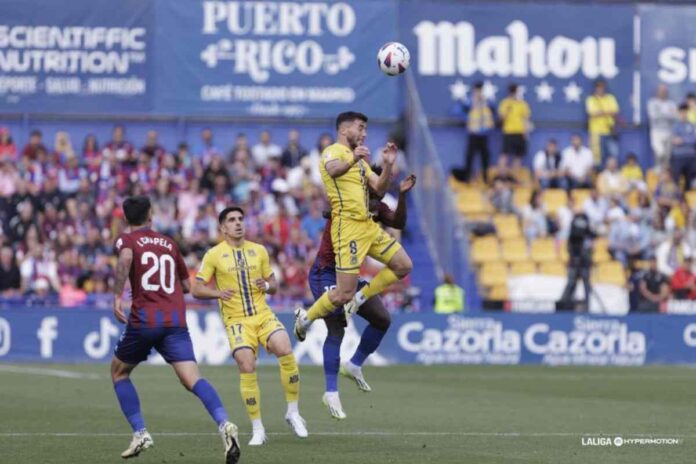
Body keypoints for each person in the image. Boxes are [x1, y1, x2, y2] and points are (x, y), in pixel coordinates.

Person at [111, 196, 240, 463]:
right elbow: (186, 286)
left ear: (126, 219)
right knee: (193, 378)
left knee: (119, 372)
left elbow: (124, 259)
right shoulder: (169, 243)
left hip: (145, 319)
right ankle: (224, 423)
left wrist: (117, 296)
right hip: (175, 321)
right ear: (150, 216)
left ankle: (141, 433)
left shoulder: (127, 240)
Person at [192, 206, 307, 446]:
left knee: (285, 347)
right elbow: (196, 288)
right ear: (223, 228)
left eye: (240, 219)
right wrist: (217, 293)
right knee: (246, 363)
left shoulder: (259, 251)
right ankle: (258, 428)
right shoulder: (214, 254)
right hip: (236, 321)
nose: (238, 223)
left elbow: (274, 284)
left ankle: (293, 412)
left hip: (262, 314)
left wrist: (266, 286)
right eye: (232, 220)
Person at [293, 112, 413, 340]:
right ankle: (305, 319)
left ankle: (361, 298)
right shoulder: (332, 152)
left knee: (403, 266)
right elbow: (333, 170)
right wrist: (354, 159)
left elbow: (378, 188)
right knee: (343, 293)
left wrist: (387, 166)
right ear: (344, 130)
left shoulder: (359, 160)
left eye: (366, 129)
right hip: (346, 227)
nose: (364, 133)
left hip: (367, 225)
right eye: (361, 128)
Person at [308, 173, 415, 419]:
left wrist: (402, 195)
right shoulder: (346, 206)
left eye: (380, 197)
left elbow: (398, 223)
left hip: (349, 278)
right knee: (337, 329)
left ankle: (354, 364)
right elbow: (330, 205)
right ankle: (331, 392)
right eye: (375, 195)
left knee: (382, 319)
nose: (378, 203)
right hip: (326, 273)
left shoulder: (375, 207)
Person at [453, 81, 495, 183]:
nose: (479, 93)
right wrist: (467, 118)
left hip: (484, 135)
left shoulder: (487, 102)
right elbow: (456, 111)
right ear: (474, 91)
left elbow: (495, 112)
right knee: (470, 157)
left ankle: (485, 178)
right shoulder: (469, 102)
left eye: (480, 90)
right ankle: (468, 177)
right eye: (477, 91)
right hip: (473, 134)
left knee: (485, 157)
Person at [559, 207, 595, 311]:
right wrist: (573, 256)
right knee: (571, 283)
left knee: (586, 285)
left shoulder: (588, 235)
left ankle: (588, 307)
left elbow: (592, 236)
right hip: (574, 261)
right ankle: (565, 306)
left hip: (584, 262)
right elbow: (570, 246)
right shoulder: (572, 237)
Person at [498, 83, 531, 168]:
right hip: (508, 132)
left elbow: (526, 119)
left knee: (518, 156)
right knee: (504, 155)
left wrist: (526, 132)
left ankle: (514, 178)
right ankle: (501, 177)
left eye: (515, 92)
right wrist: (508, 109)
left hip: (520, 132)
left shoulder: (523, 104)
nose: (514, 94)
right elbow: (501, 118)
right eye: (512, 92)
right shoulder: (505, 103)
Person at [647, 84, 677, 167]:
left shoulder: (671, 103)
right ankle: (658, 169)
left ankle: (665, 174)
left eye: (664, 91)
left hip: (668, 131)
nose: (663, 93)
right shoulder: (652, 102)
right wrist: (666, 113)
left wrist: (661, 113)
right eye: (661, 91)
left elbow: (674, 116)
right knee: (660, 152)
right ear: (657, 92)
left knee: (667, 156)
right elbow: (653, 116)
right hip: (656, 130)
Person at [670, 103, 696, 189]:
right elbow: (674, 140)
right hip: (678, 157)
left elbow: (693, 140)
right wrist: (687, 139)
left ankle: (688, 200)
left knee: (690, 181)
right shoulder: (674, 126)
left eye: (685, 112)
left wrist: (682, 140)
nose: (683, 114)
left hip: (691, 157)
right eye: (681, 112)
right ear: (678, 113)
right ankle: (677, 200)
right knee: (676, 180)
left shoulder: (692, 126)